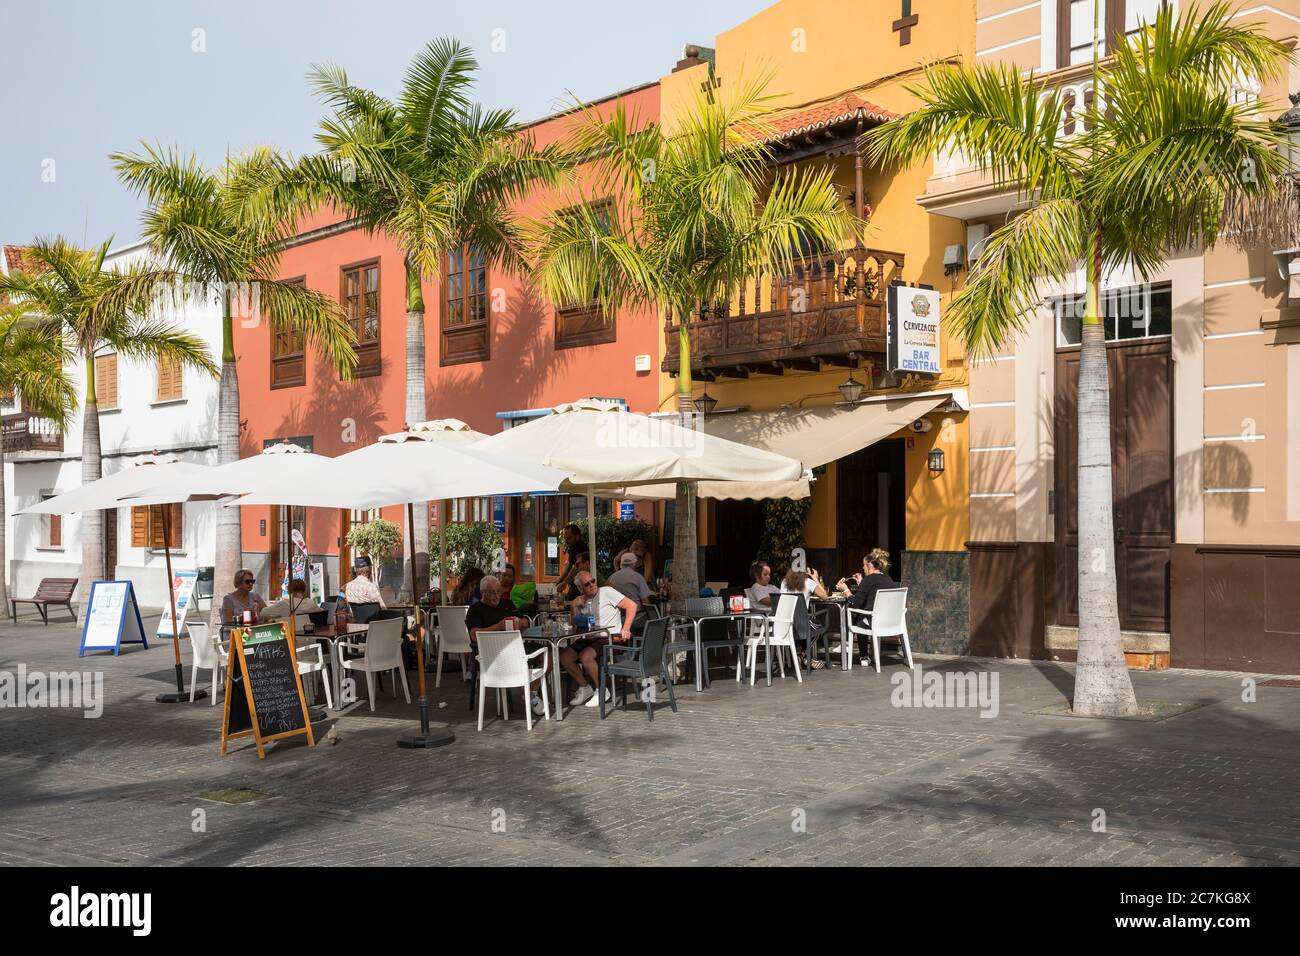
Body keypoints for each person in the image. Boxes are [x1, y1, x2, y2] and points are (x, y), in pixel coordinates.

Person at [463, 575, 545, 714]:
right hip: (493, 655)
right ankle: (530, 695)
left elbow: (523, 619)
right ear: (483, 593)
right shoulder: (476, 609)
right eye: (492, 592)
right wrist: (500, 626)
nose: (496, 596)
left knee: (549, 654)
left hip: (516, 647)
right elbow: (474, 635)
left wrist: (523, 623)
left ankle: (531, 693)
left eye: (498, 592)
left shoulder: (507, 604)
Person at [559, 571, 636, 708]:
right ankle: (585, 687)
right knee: (564, 656)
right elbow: (575, 627)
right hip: (590, 638)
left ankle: (601, 690)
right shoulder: (580, 601)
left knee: (585, 656)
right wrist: (573, 607)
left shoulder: (606, 592)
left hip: (611, 636)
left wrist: (626, 628)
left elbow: (632, 605)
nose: (592, 585)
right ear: (580, 588)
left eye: (593, 581)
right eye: (587, 584)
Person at [836, 548, 895, 667]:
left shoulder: (868, 580)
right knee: (862, 615)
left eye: (863, 565)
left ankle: (860, 653)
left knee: (855, 614)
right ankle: (862, 654)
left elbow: (855, 603)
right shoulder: (888, 579)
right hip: (890, 622)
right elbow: (872, 594)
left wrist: (846, 590)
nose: (862, 568)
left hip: (873, 622)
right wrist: (861, 585)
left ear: (869, 565)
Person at [555, 524, 590, 601]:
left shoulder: (581, 548)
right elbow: (569, 565)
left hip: (581, 588)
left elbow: (575, 568)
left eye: (569, 538)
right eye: (565, 538)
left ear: (577, 536)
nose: (566, 541)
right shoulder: (573, 548)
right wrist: (560, 578)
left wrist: (564, 583)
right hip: (574, 586)